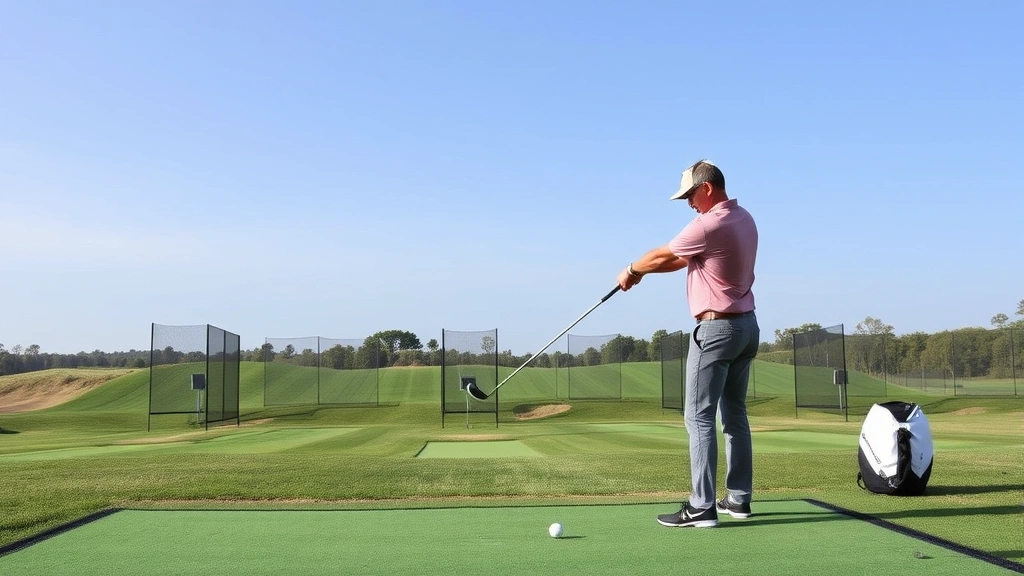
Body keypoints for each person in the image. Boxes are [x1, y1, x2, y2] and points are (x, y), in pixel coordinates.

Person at [616, 159, 759, 528]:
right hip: (747, 327)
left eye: (690, 196)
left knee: (697, 416)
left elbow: (665, 254)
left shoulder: (709, 224)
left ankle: (701, 506)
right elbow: (682, 260)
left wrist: (632, 270)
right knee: (735, 415)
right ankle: (739, 501)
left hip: (715, 331)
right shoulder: (744, 219)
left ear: (707, 187)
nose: (689, 204)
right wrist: (645, 275)